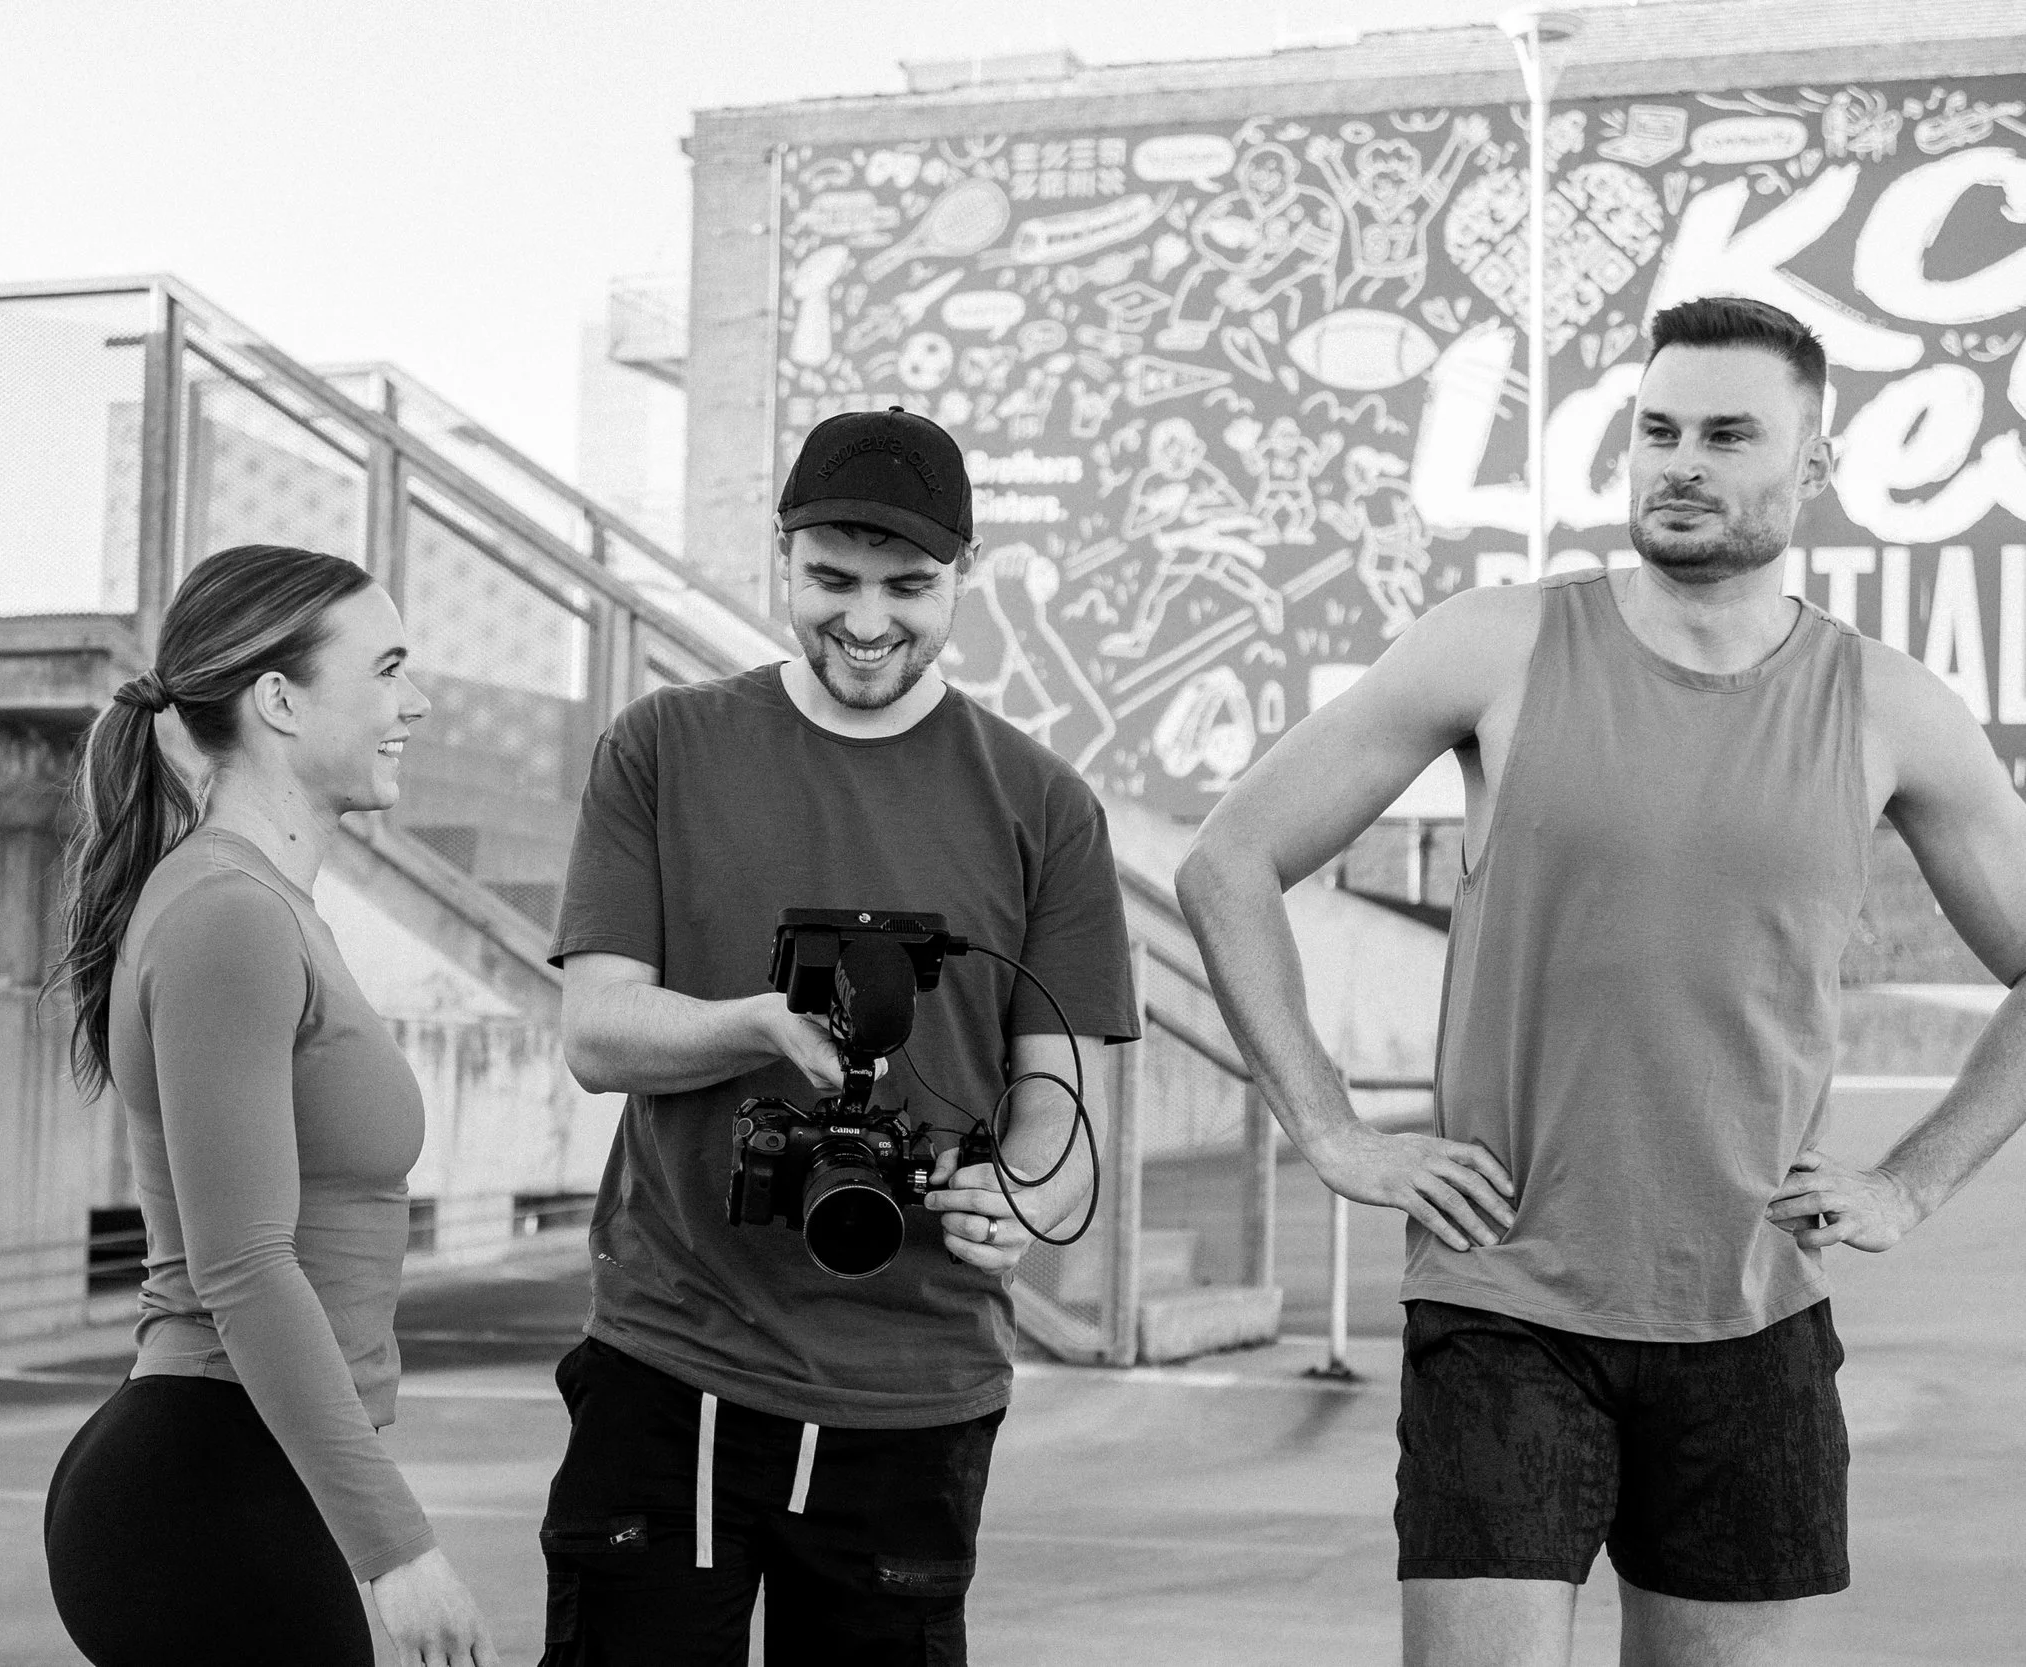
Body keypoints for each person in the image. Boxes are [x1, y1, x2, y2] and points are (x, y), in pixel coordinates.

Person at [1173, 295, 2026, 1667]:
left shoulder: (1885, 706)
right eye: (1657, 428)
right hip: (1508, 1298)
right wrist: (1328, 1128)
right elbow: (1229, 861)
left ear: (1815, 465)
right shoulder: (1498, 644)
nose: (1679, 460)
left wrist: (1910, 1178)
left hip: (1753, 1315)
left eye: (1728, 433)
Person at [538, 407, 1140, 1665]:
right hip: (673, 1360)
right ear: (781, 556)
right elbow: (596, 1030)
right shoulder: (661, 748)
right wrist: (746, 1026)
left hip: (916, 1392)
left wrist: (1020, 1200)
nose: (867, 621)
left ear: (963, 577)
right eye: (832, 580)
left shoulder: (1044, 805)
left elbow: (1065, 1106)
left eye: (909, 587)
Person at [41, 544, 500, 1667]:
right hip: (205, 1485)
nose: (417, 701)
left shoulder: (266, 903)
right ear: (280, 699)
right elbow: (243, 1262)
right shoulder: (228, 913)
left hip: (245, 1473)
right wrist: (396, 1548)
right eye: (388, 668)